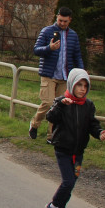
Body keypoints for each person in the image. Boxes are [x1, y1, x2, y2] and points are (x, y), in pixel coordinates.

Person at [44, 68, 105, 208]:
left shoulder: (88, 105)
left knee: (70, 185)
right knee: (68, 181)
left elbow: (92, 124)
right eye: (79, 85)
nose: (82, 89)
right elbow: (51, 117)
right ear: (72, 84)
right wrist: (60, 105)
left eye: (85, 86)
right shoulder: (62, 101)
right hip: (63, 149)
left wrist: (100, 133)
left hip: (78, 152)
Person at [29, 7, 84, 143]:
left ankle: (51, 136)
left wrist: (81, 72)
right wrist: (49, 48)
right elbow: (36, 50)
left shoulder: (73, 35)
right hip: (49, 74)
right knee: (47, 103)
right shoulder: (47, 31)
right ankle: (34, 124)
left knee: (59, 107)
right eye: (60, 20)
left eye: (65, 21)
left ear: (70, 20)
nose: (62, 23)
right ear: (57, 17)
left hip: (65, 76)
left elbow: (77, 55)